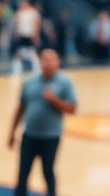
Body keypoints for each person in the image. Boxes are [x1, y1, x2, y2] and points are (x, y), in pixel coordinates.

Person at [8, 48, 77, 196]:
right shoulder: (29, 82)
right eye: (44, 60)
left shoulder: (64, 83)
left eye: (51, 60)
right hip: (29, 136)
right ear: (40, 62)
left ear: (57, 62)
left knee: (48, 171)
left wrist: (55, 101)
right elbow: (20, 109)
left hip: (50, 137)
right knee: (23, 173)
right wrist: (12, 133)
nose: (47, 63)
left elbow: (72, 108)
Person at [11, 0, 40, 75]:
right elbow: (17, 23)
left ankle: (37, 68)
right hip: (22, 35)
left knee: (32, 52)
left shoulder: (33, 12)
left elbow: (36, 23)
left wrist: (35, 35)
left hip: (30, 35)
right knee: (19, 52)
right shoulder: (19, 13)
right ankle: (16, 69)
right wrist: (16, 33)